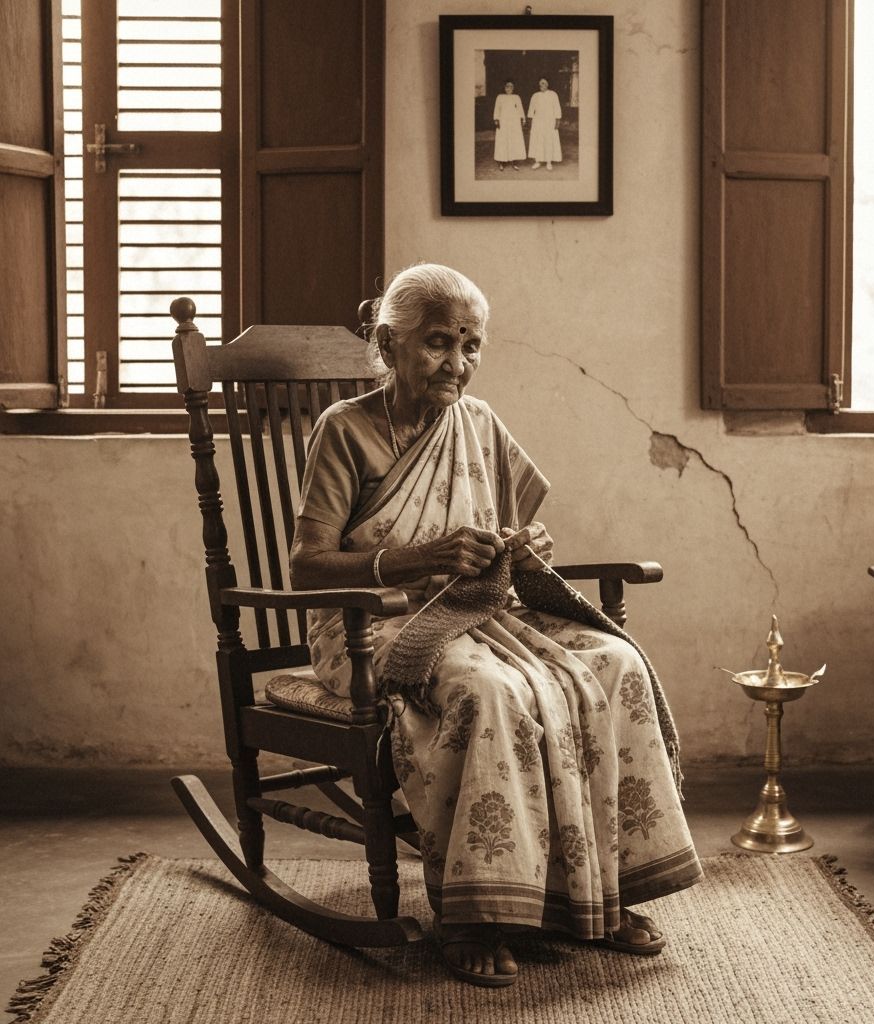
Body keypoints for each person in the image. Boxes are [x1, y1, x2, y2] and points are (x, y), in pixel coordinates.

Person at [290, 263, 702, 988]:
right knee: (487, 691)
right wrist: (412, 559)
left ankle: (602, 892)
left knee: (614, 663)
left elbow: (509, 529)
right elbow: (308, 566)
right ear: (388, 345)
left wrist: (527, 547)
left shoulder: (478, 424)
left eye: (472, 344)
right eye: (439, 342)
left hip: (480, 610)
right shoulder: (344, 430)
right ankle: (476, 914)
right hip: (369, 628)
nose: (459, 362)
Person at [527, 77, 562, 170]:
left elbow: (557, 108)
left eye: (543, 83)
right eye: (540, 83)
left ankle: (549, 162)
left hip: (549, 121)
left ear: (547, 84)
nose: (541, 85)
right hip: (537, 121)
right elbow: (531, 109)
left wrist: (557, 120)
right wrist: (530, 120)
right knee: (538, 140)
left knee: (549, 140)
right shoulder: (535, 95)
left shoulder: (553, 94)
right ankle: (537, 161)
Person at [492, 79, 526, 171]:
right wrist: (496, 119)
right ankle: (501, 163)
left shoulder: (516, 97)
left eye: (511, 86)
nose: (509, 88)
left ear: (513, 88)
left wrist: (523, 119)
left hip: (514, 122)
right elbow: (497, 109)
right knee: (502, 141)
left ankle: (513, 162)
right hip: (503, 122)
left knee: (514, 141)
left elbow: (520, 109)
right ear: (504, 88)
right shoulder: (500, 97)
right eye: (507, 86)